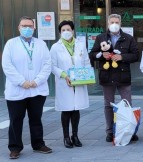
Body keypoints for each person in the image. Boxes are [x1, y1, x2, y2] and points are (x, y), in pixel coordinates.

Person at [1, 16, 52, 159]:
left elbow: (47, 64)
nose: (27, 28)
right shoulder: (11, 44)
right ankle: (15, 147)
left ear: (34, 28)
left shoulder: (41, 44)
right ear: (19, 27)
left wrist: (37, 81)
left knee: (36, 118)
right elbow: (7, 65)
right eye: (24, 26)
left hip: (37, 89)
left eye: (30, 26)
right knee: (16, 119)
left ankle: (38, 144)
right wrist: (21, 82)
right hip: (17, 89)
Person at [89, 14, 139, 142]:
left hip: (123, 75)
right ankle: (110, 131)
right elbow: (92, 54)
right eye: (112, 22)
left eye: (117, 22)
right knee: (108, 105)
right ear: (108, 23)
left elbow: (135, 55)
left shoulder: (128, 38)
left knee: (127, 104)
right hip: (107, 75)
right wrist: (101, 55)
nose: (114, 24)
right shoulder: (101, 37)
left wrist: (122, 57)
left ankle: (129, 130)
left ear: (120, 23)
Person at [50, 20, 91, 148]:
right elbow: (52, 66)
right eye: (63, 30)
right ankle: (66, 137)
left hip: (78, 81)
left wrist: (88, 77)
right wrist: (64, 75)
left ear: (73, 31)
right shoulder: (55, 47)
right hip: (65, 82)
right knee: (66, 110)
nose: (66, 32)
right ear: (60, 33)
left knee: (76, 109)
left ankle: (75, 135)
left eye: (68, 30)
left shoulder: (80, 44)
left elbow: (86, 62)